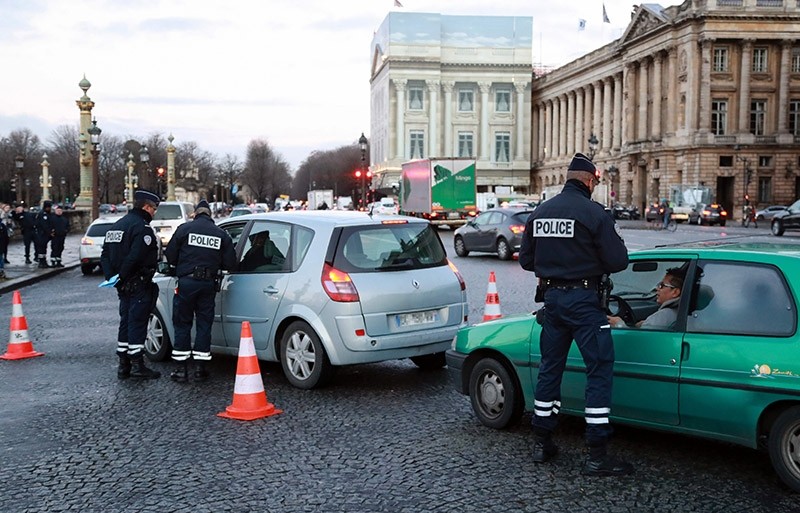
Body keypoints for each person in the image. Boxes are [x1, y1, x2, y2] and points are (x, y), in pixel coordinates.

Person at [518, 152, 633, 477]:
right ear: (588, 179)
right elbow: (618, 261)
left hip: (552, 302)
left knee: (549, 369)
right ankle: (596, 453)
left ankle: (542, 443)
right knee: (598, 368)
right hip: (584, 302)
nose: (596, 185)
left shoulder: (541, 212)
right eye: (595, 180)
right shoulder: (593, 213)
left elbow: (527, 260)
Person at [164, 199, 236, 382]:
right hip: (207, 285)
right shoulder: (221, 234)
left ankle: (181, 370)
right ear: (210, 215)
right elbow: (231, 263)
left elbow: (170, 255)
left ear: (195, 213)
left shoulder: (184, 229)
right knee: (204, 324)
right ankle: (200, 368)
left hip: (186, 283)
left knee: (182, 323)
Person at [100, 189, 162, 380]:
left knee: (125, 321)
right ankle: (137, 364)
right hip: (138, 282)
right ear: (146, 207)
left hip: (122, 285)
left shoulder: (116, 226)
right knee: (137, 322)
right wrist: (124, 276)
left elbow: (105, 256)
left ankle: (123, 364)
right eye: (154, 209)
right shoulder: (142, 228)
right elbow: (135, 257)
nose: (154, 213)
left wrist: (115, 278)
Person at [608, 267, 684, 329]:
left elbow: (638, 341)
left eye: (661, 286)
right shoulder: (679, 313)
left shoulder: (663, 316)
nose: (657, 288)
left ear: (675, 292)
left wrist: (619, 325)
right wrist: (645, 324)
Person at [34, 200, 55, 268]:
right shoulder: (43, 214)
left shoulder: (47, 214)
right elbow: (44, 225)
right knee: (41, 248)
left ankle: (43, 261)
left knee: (43, 248)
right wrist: (50, 232)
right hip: (42, 234)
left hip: (44, 234)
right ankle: (41, 261)